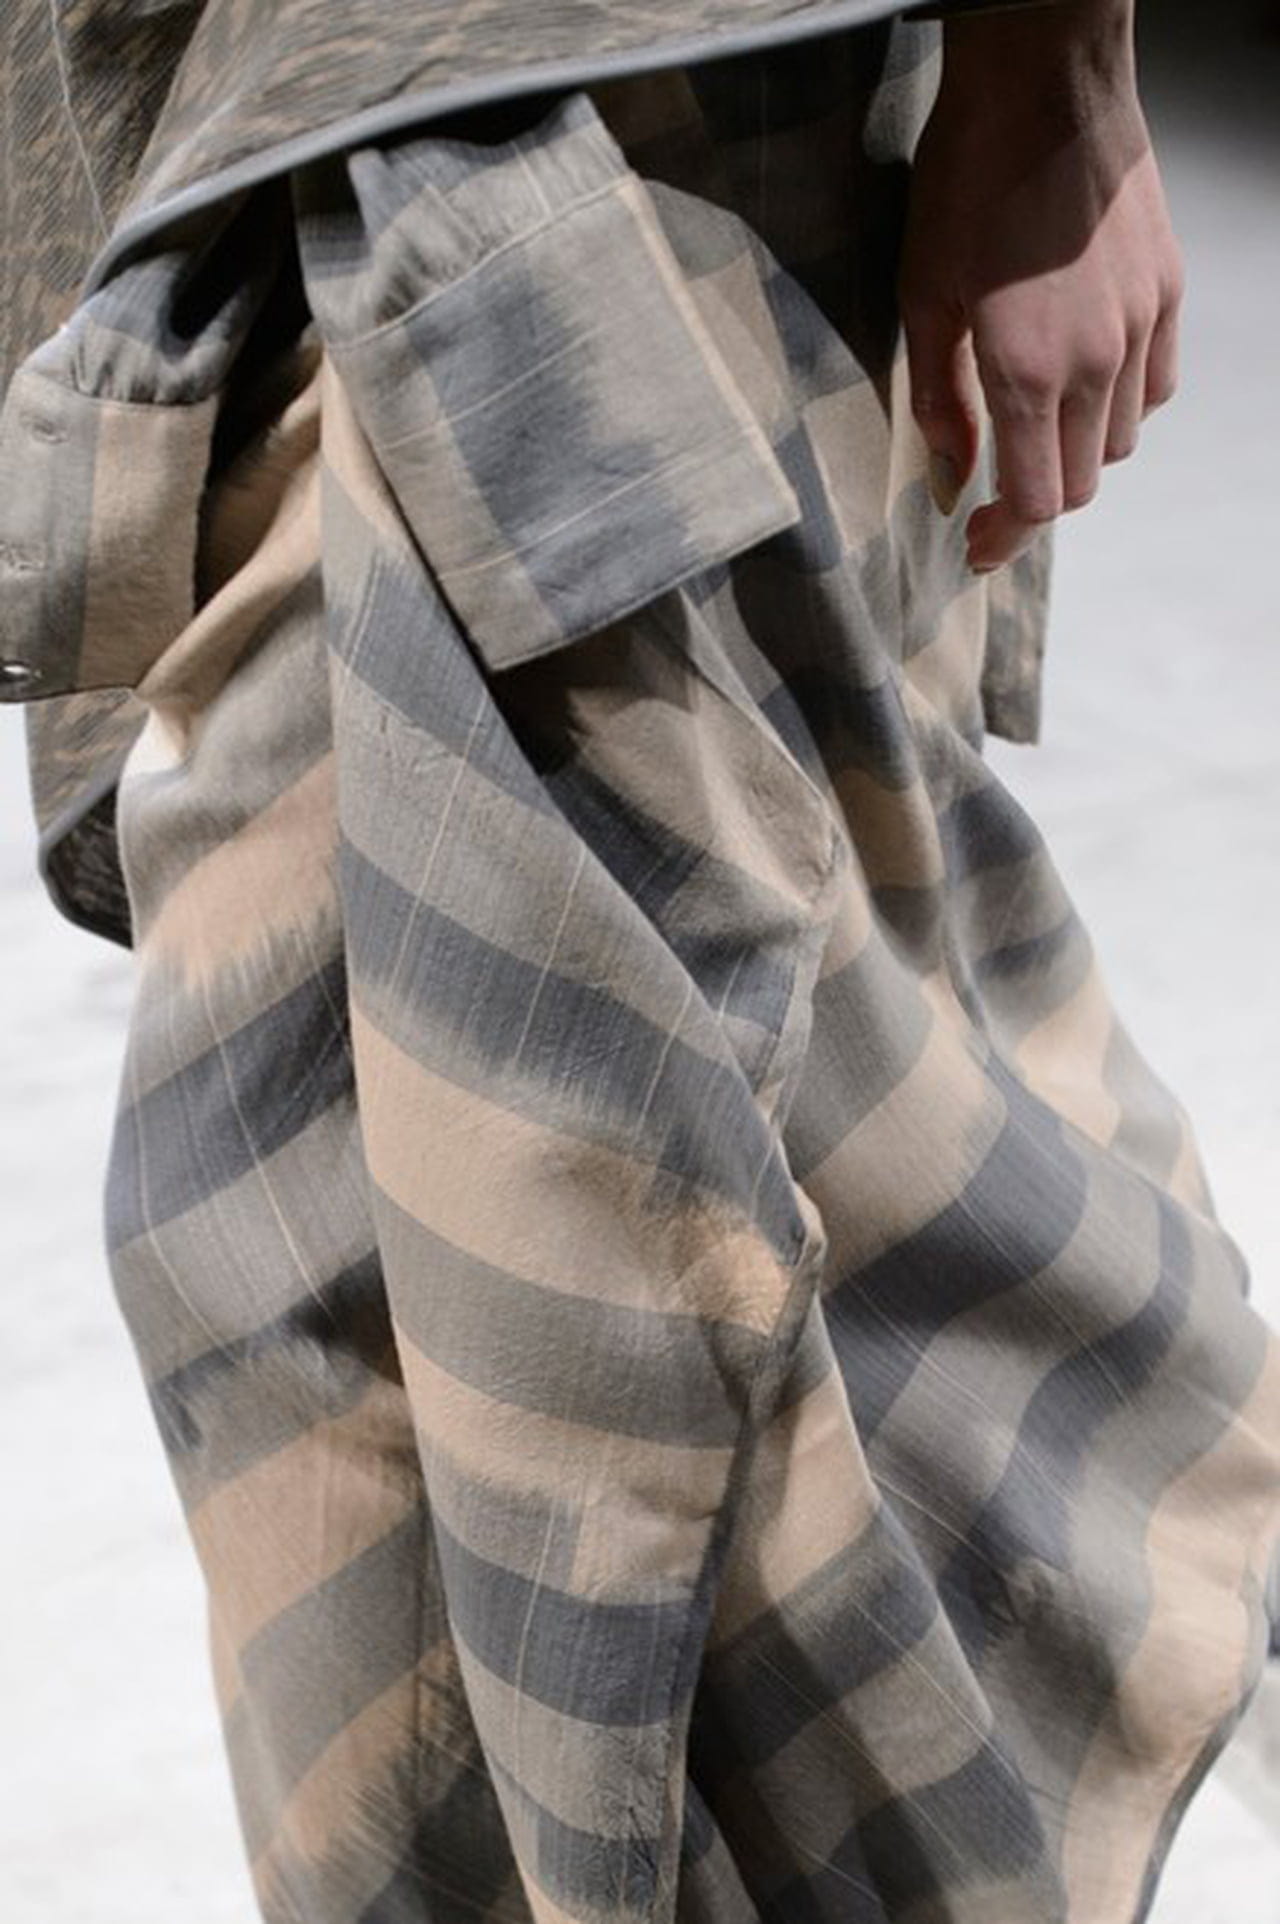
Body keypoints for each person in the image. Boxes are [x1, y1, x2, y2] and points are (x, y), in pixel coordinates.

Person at [0, 2, 1276, 1921]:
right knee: (335, 1325)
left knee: (641, 1314)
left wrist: (1057, 87)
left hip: (603, 125)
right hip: (215, 135)